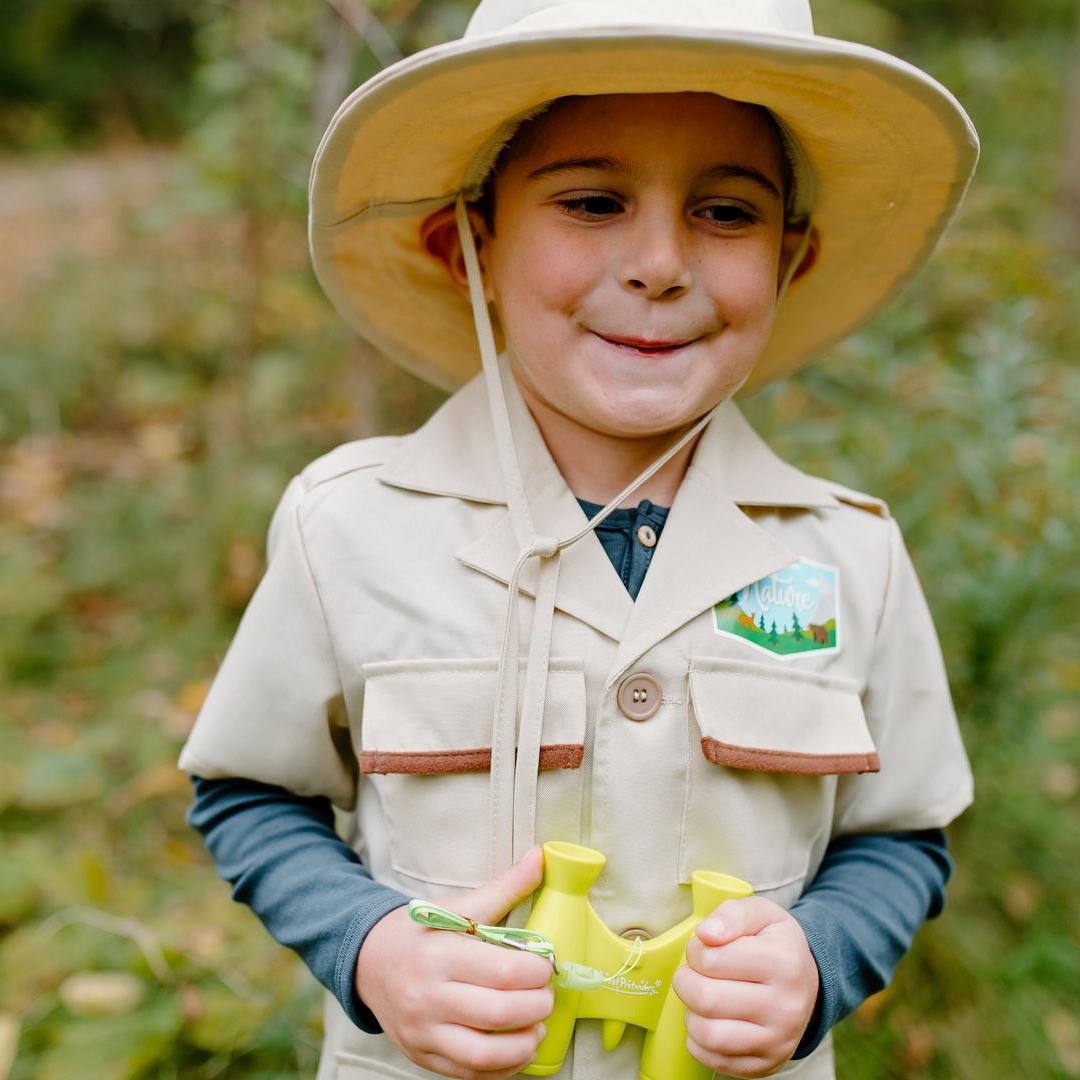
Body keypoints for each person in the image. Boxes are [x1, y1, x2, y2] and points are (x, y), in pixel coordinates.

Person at [179, 1, 978, 1077]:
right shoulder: (352, 526)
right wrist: (373, 952)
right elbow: (250, 791)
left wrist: (819, 957)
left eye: (727, 213)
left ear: (792, 260)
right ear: (467, 244)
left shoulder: (845, 554)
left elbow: (900, 835)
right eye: (594, 202)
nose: (659, 263)